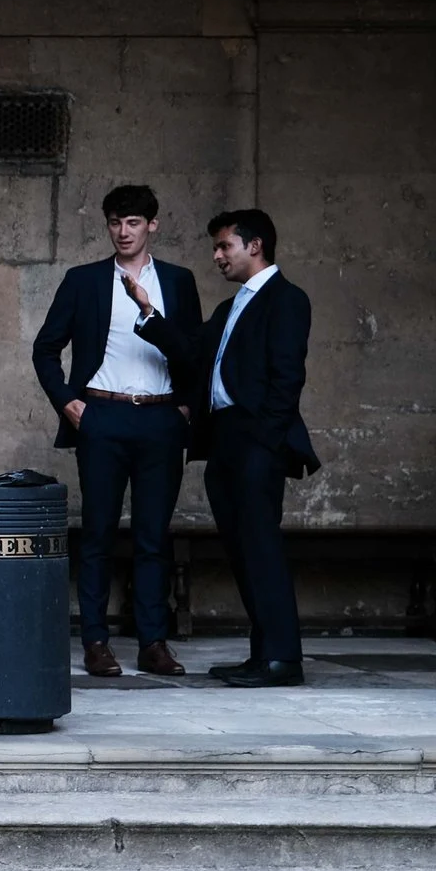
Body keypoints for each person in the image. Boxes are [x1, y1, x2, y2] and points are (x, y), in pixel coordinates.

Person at [133, 208, 320, 688]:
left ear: (254, 246)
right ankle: (264, 656)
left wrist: (265, 442)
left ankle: (282, 659)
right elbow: (193, 350)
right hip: (225, 441)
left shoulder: (286, 300)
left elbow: (287, 379)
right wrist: (150, 314)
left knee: (261, 548)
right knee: (242, 551)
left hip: (255, 440)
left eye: (224, 246)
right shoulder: (230, 306)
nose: (217, 256)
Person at [30, 184, 204, 679]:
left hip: (160, 418)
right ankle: (96, 641)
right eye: (115, 222)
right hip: (100, 417)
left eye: (132, 222)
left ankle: (153, 642)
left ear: (153, 225)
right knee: (98, 534)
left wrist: (186, 410)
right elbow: (45, 349)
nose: (123, 232)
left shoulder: (178, 281)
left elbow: (194, 354)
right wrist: (69, 404)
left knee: (154, 536)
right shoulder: (84, 280)